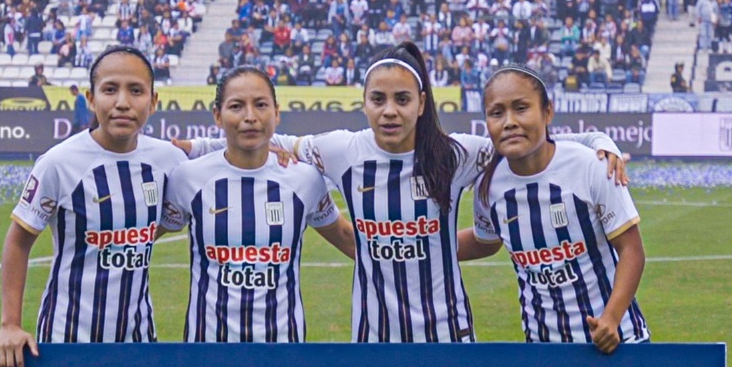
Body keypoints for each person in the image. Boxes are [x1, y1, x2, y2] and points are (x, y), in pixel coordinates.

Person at [186, 42, 627, 343]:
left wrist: (600, 143)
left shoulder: (458, 155)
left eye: (402, 99)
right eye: (378, 99)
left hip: (449, 336)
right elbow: (258, 139)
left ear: (421, 101)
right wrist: (182, 149)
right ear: (364, 103)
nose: (390, 110)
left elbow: (533, 140)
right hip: (372, 339)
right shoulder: (341, 150)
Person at [0, 48, 187, 367]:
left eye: (136, 91)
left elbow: (173, 216)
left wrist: (277, 155)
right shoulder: (59, 163)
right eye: (110, 89)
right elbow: (18, 241)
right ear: (91, 99)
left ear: (154, 101)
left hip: (139, 341)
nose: (122, 102)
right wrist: (10, 323)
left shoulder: (170, 162)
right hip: (66, 340)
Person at [160, 67, 356, 342]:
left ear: (276, 112)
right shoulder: (188, 178)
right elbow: (141, 239)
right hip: (206, 355)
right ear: (217, 115)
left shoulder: (304, 180)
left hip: (283, 353)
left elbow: (346, 237)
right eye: (237, 106)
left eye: (260, 105)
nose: (249, 117)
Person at [461, 66, 648, 350]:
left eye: (521, 108)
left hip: (618, 342)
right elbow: (484, 241)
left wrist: (611, 318)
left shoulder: (590, 166)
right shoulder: (489, 186)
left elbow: (631, 250)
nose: (509, 122)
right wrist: (425, 241)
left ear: (547, 112)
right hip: (544, 351)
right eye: (496, 113)